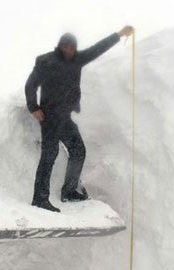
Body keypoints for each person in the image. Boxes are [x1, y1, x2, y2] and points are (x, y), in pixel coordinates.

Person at [25, 25, 135, 212]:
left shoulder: (77, 60)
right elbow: (30, 85)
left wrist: (120, 34)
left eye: (71, 47)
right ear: (60, 46)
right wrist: (33, 107)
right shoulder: (46, 62)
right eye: (65, 47)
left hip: (65, 118)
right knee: (49, 155)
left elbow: (98, 48)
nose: (68, 50)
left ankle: (68, 191)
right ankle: (39, 198)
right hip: (50, 117)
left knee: (78, 150)